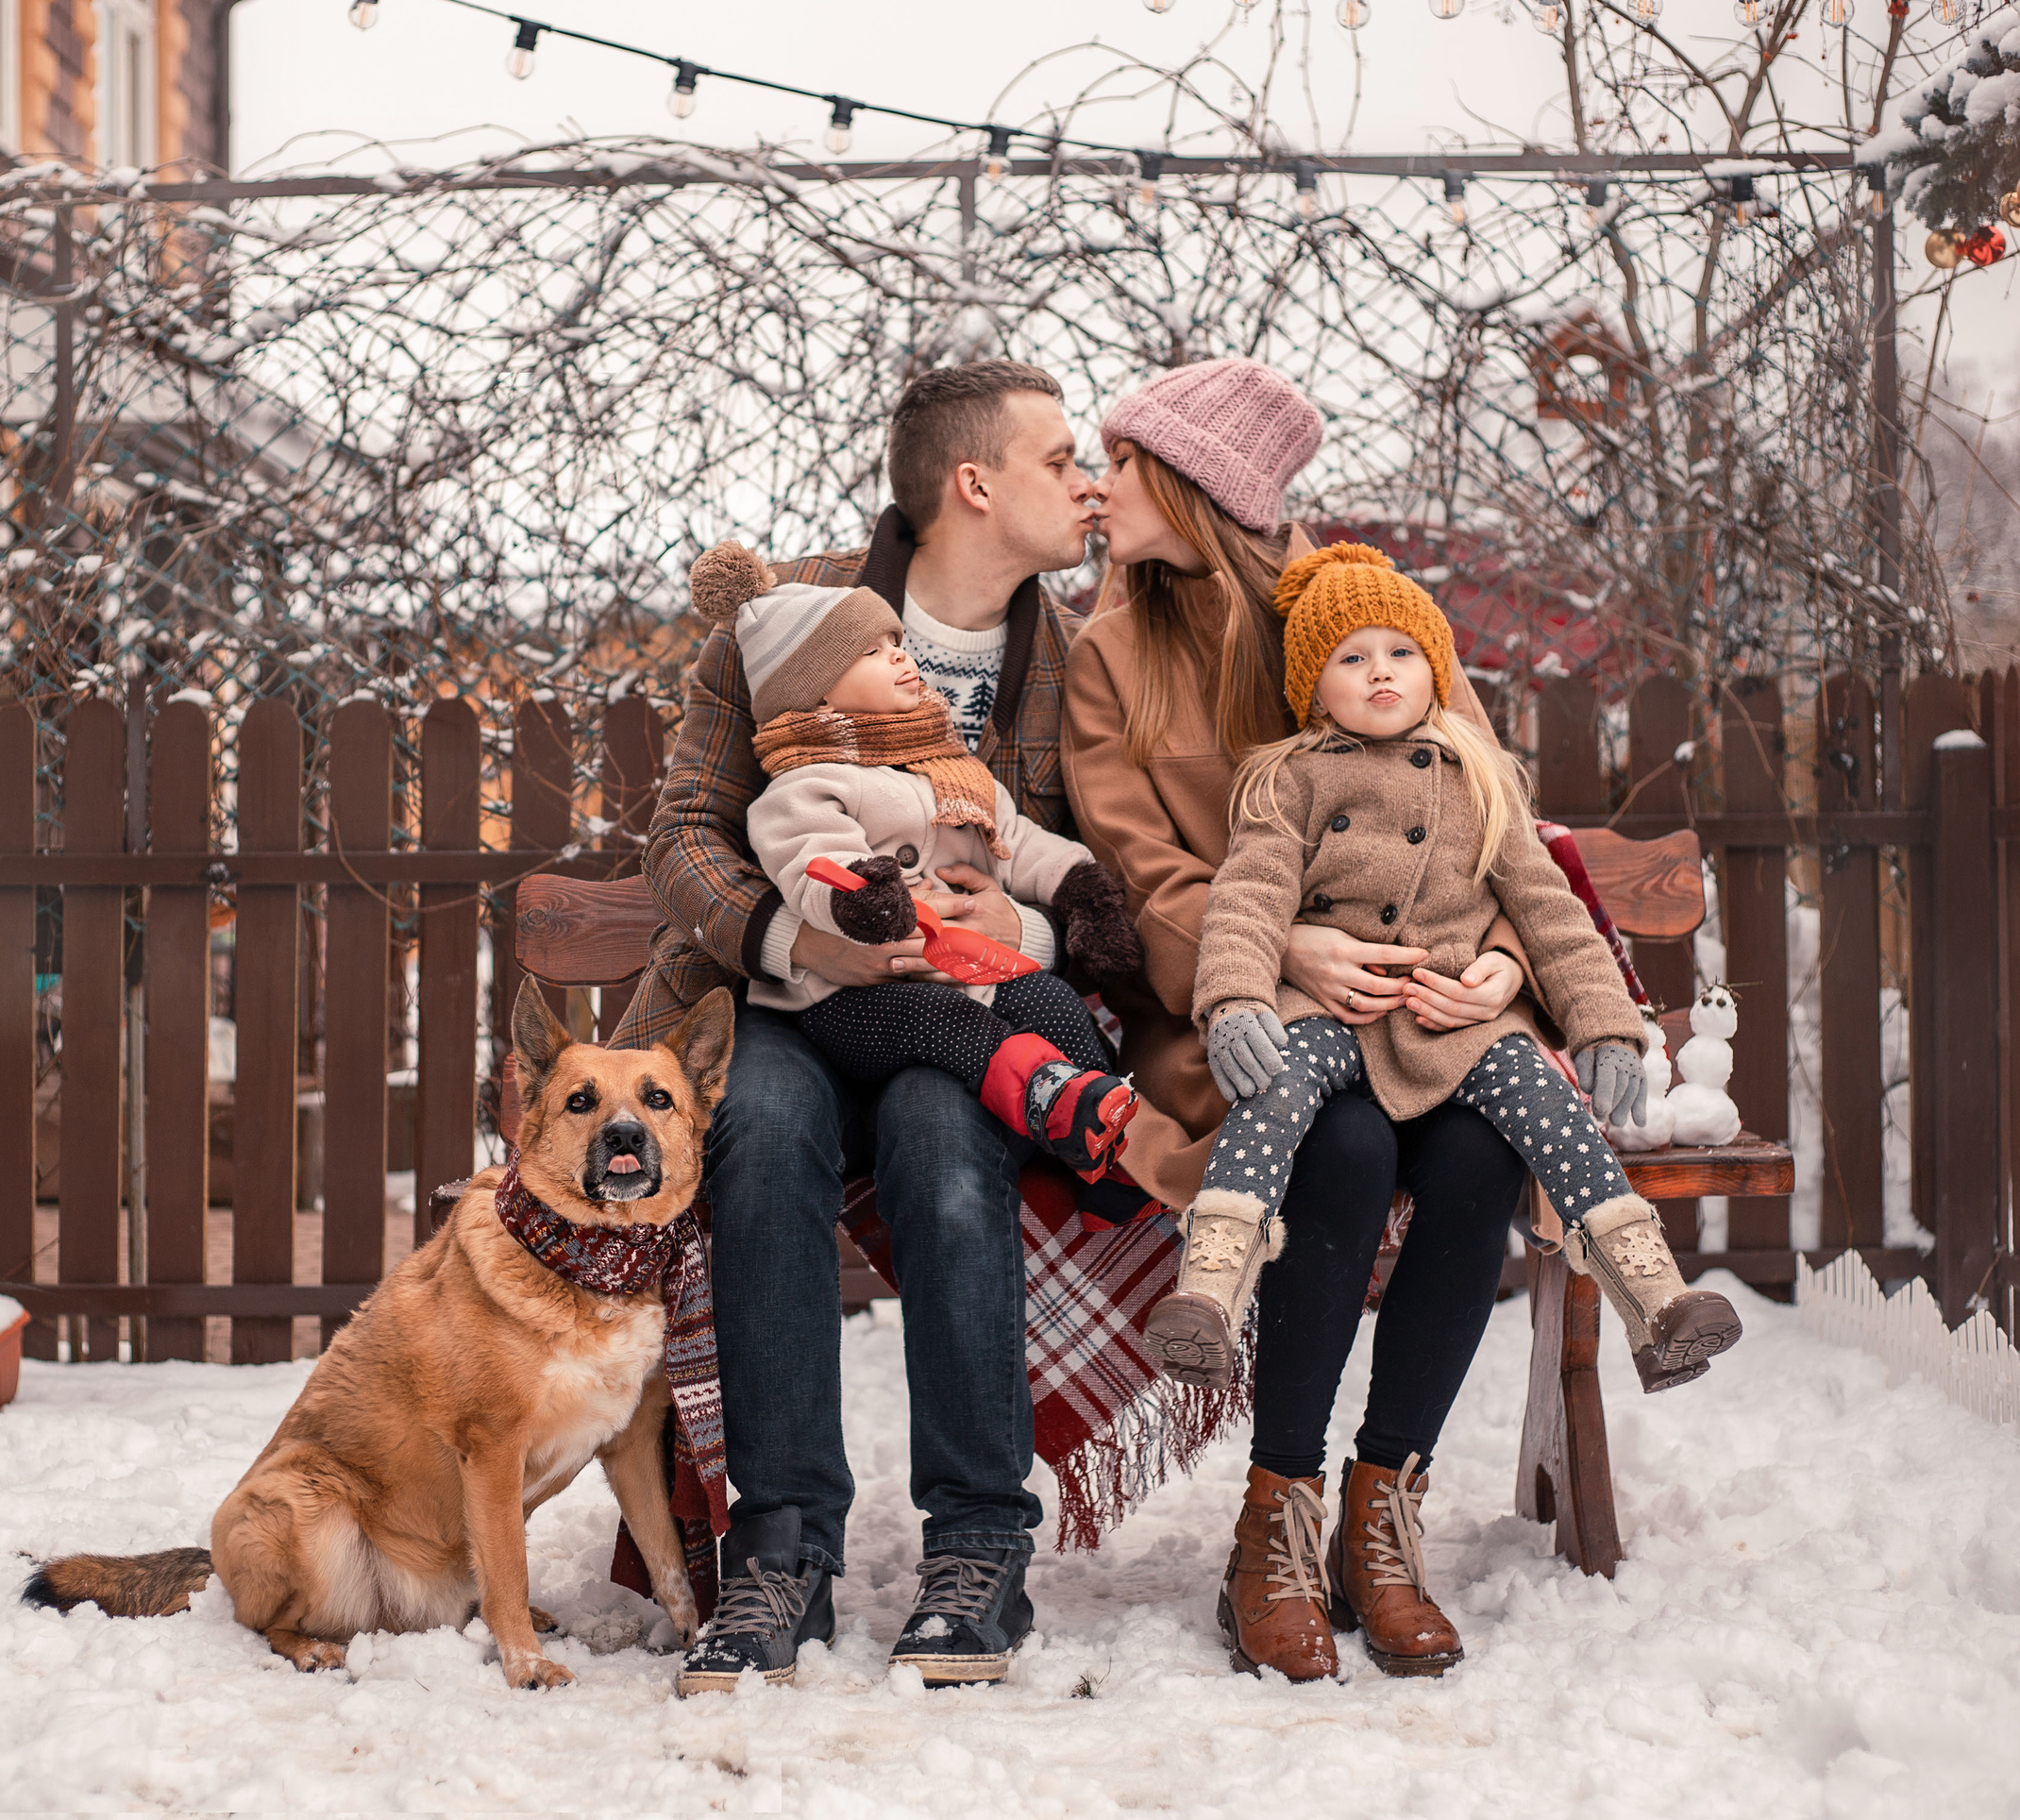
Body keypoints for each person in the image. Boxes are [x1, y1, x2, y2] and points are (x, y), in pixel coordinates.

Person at [611, 360, 1100, 1694]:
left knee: (950, 1140)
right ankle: (778, 1547)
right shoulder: (794, 615)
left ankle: (980, 1547)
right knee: (761, 1131)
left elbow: (1077, 865)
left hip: (953, 1005)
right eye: (1064, 459)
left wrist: (1016, 937)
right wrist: (794, 936)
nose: (1090, 482)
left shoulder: (1075, 659)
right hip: (778, 990)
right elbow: (685, 836)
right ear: (974, 483)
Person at [1062, 356, 1540, 1685]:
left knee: (1475, 1151)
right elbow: (1140, 874)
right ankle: (1275, 1516)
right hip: (1236, 1015)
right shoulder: (1109, 655)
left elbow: (1490, 812)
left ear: (1198, 485)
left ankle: (1382, 1511)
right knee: (1338, 1146)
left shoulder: (1360, 615)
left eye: (1125, 461)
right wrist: (1288, 948)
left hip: (1423, 995)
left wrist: (1502, 961)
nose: (1100, 488)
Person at [1151, 538, 1743, 1402]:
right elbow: (1248, 900)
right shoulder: (1286, 780)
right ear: (1312, 683)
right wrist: (1238, 998)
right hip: (1332, 1013)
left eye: (1402, 653)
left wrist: (1604, 1024)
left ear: (1435, 669)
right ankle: (1208, 1291)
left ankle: (1656, 1300)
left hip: (1458, 1021)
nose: (1381, 673)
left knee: (1552, 1110)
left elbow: (1551, 913)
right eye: (1352, 658)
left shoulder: (1480, 778)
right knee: (1269, 1088)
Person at [687, 537, 1144, 1182]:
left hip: (962, 969)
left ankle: (1112, 1155)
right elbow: (812, 860)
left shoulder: (948, 769)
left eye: (894, 642)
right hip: (847, 1000)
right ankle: (1050, 1099)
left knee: (1051, 1002)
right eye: (871, 652)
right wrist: (860, 898)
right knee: (949, 1024)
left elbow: (1014, 839)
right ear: (817, 696)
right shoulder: (805, 785)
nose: (899, 656)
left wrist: (1079, 891)